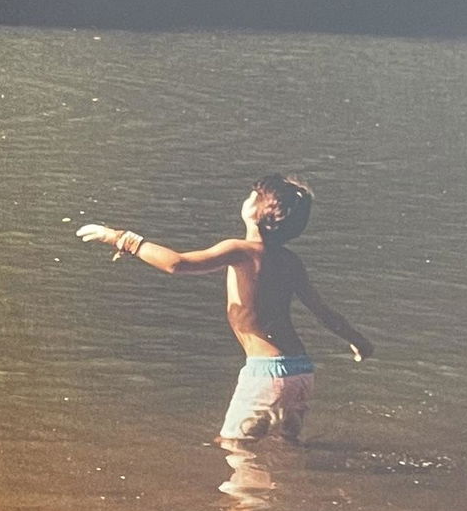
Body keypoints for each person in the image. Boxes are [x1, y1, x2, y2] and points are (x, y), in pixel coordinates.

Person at [76, 175, 372, 442]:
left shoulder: (239, 250)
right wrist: (357, 340)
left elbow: (177, 263)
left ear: (258, 212)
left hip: (267, 374)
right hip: (301, 372)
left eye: (253, 196)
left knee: (233, 447)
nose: (247, 198)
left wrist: (123, 239)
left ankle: (246, 490)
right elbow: (324, 312)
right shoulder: (290, 261)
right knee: (284, 447)